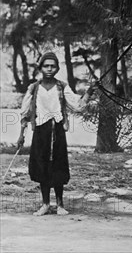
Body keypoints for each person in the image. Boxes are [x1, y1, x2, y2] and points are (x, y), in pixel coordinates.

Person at [16, 52, 88, 216]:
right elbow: (25, 113)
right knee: (42, 167)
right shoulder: (33, 88)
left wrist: (89, 93)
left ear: (57, 68)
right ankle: (45, 204)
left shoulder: (62, 87)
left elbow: (77, 105)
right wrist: (21, 135)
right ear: (40, 68)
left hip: (58, 132)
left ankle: (60, 205)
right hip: (41, 131)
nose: (49, 69)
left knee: (58, 166)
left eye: (53, 66)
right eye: (46, 66)